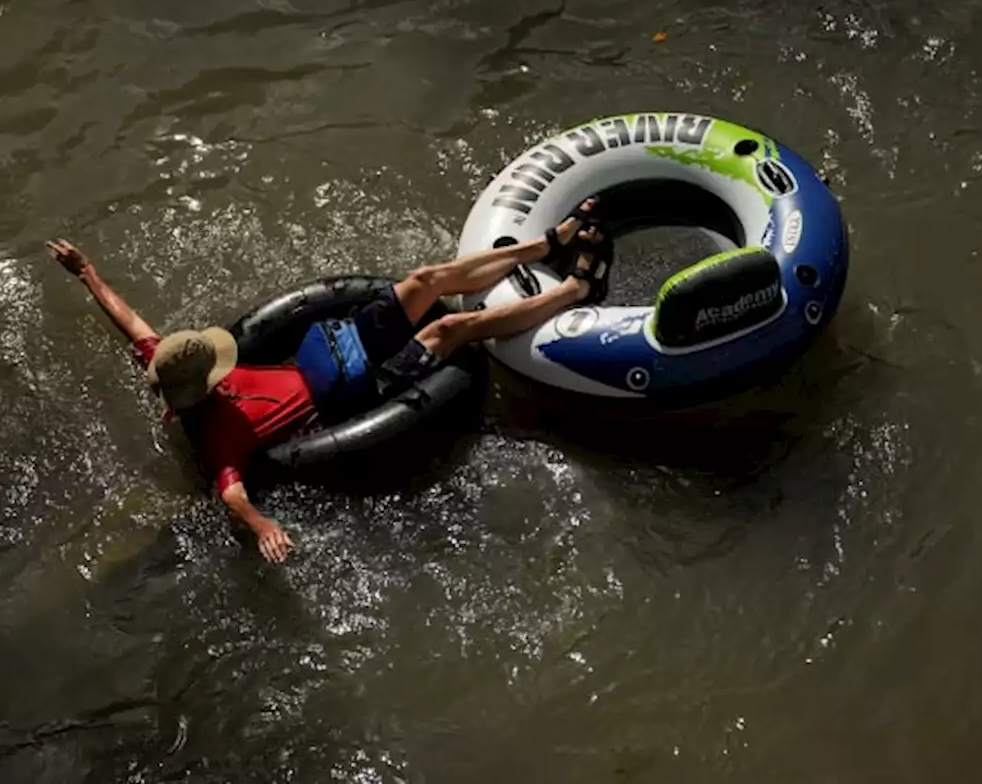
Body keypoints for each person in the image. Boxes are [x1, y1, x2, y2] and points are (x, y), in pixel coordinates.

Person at [47, 209, 609, 563]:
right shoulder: (215, 435)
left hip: (336, 352)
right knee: (450, 329)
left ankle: (546, 244)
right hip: (357, 395)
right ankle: (575, 292)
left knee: (423, 281)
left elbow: (134, 324)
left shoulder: (175, 365)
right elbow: (231, 494)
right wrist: (264, 526)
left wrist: (86, 272)